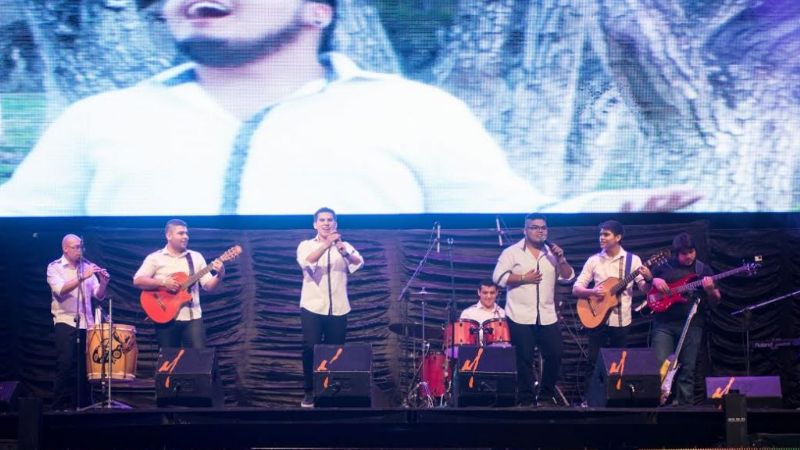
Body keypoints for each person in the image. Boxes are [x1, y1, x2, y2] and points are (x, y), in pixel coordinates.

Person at [0, 0, 700, 216]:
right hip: (126, 412)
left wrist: (599, 218)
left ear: (317, 10)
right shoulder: (97, 121)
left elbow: (505, 229)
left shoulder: (414, 113)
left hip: (359, 411)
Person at [493, 214, 575, 407]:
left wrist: (561, 259)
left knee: (555, 354)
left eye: (543, 228)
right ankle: (526, 400)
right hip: (520, 315)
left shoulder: (552, 254)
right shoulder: (512, 252)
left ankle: (545, 397)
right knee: (524, 359)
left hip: (547, 315)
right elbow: (497, 278)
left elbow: (568, 277)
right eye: (535, 227)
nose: (540, 231)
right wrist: (523, 278)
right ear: (525, 230)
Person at [572, 220, 653, 399]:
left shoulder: (633, 260)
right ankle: (589, 400)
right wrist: (592, 291)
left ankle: (616, 399)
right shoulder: (593, 260)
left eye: (606, 234)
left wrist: (648, 279)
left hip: (622, 320)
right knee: (593, 362)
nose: (602, 237)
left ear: (618, 237)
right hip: (597, 318)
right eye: (601, 234)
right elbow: (576, 288)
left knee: (618, 364)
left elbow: (645, 290)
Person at [296, 207, 363, 408]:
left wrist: (343, 250)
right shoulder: (306, 245)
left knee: (335, 352)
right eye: (322, 220)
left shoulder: (344, 245)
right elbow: (308, 262)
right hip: (312, 306)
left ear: (335, 224)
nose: (326, 223)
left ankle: (332, 390)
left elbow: (358, 262)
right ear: (315, 224)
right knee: (311, 348)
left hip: (339, 307)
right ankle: (309, 391)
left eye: (330, 220)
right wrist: (326, 244)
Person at [649, 232, 720, 406]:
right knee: (660, 368)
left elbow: (717, 300)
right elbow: (648, 289)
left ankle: (684, 409)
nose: (688, 256)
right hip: (664, 325)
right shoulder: (664, 266)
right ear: (676, 253)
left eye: (691, 252)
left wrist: (711, 290)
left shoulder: (702, 270)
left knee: (688, 370)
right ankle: (656, 408)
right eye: (683, 253)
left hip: (692, 325)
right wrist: (654, 280)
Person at [133, 219, 225, 349]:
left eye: (186, 233)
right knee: (169, 364)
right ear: (169, 235)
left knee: (198, 361)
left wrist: (220, 274)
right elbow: (138, 280)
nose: (185, 237)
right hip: (165, 316)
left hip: (193, 318)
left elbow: (208, 286)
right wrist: (163, 282)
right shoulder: (155, 258)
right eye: (181, 233)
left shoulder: (196, 257)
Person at [47, 234, 110, 410]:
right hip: (65, 320)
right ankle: (58, 406)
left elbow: (97, 295)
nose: (79, 250)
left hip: (87, 323)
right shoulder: (55, 267)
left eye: (81, 247)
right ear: (65, 248)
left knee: (86, 367)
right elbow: (60, 290)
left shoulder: (87, 267)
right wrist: (82, 277)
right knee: (65, 364)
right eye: (75, 247)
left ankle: (83, 405)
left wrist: (104, 283)